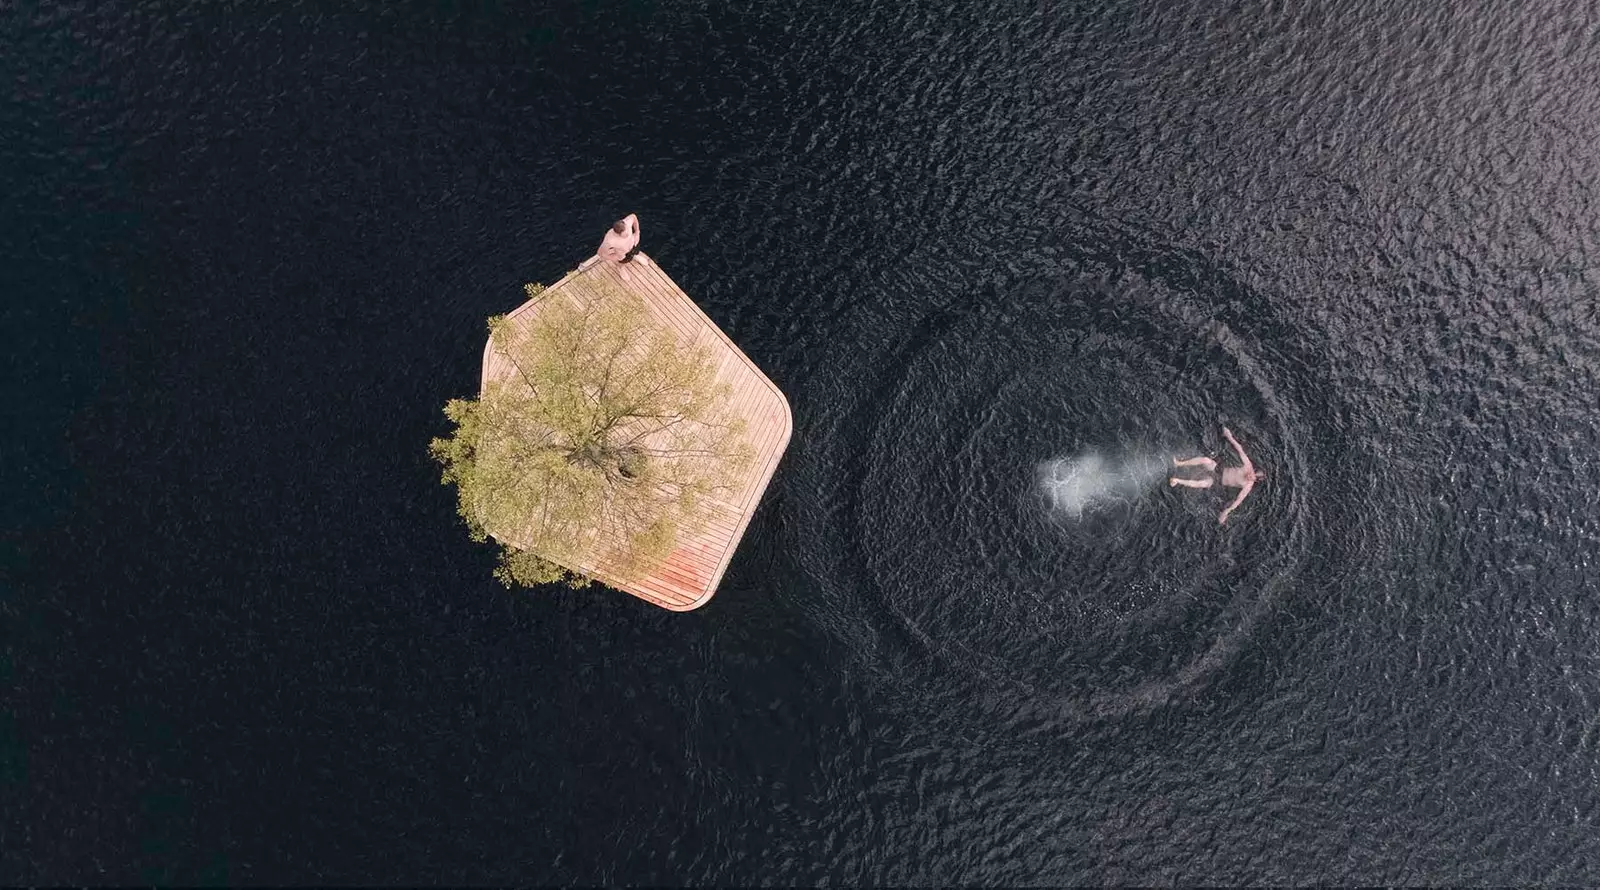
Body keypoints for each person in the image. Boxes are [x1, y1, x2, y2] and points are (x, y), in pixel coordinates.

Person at [1169, 426, 1265, 524]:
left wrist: (1226, 512)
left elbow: (1238, 501)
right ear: (1254, 470)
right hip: (1219, 469)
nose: (1250, 476)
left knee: (1204, 483)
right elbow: (1239, 449)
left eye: (1253, 478)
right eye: (1252, 473)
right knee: (1206, 460)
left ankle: (1177, 481)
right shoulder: (1248, 465)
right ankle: (1179, 463)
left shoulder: (1247, 486)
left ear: (1255, 481)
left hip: (1217, 481)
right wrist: (1229, 436)